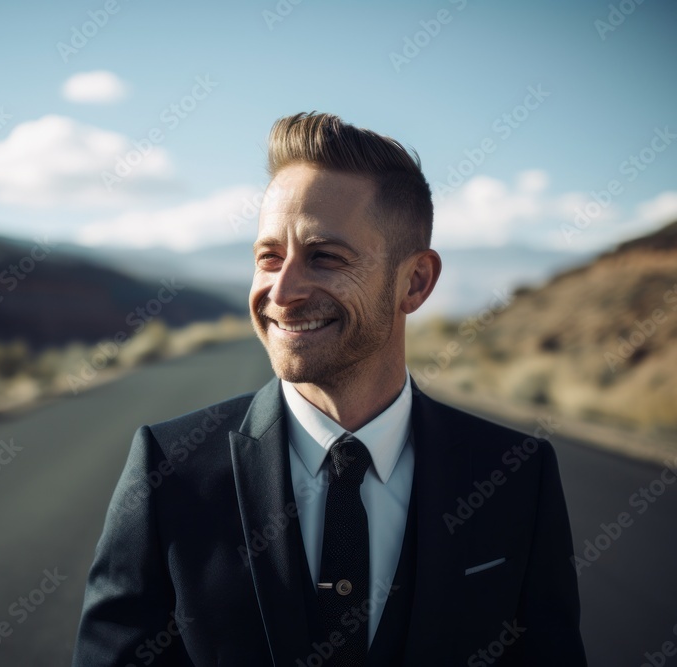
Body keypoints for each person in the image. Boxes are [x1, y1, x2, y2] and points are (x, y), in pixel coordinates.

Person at [72, 112, 587, 666]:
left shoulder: (516, 475)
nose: (283, 290)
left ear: (414, 282)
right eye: (269, 256)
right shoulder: (167, 468)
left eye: (325, 257)